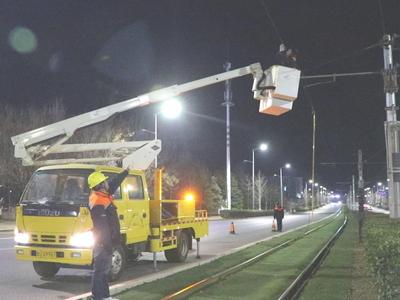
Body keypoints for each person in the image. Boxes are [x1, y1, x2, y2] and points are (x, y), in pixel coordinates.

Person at [87, 167, 129, 300]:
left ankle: (102, 296)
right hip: (103, 242)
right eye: (104, 181)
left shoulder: (101, 194)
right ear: (100, 186)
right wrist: (108, 244)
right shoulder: (98, 201)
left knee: (102, 270)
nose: (107, 182)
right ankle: (100, 297)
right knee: (101, 271)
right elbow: (102, 227)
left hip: (103, 241)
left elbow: (114, 183)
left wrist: (125, 172)